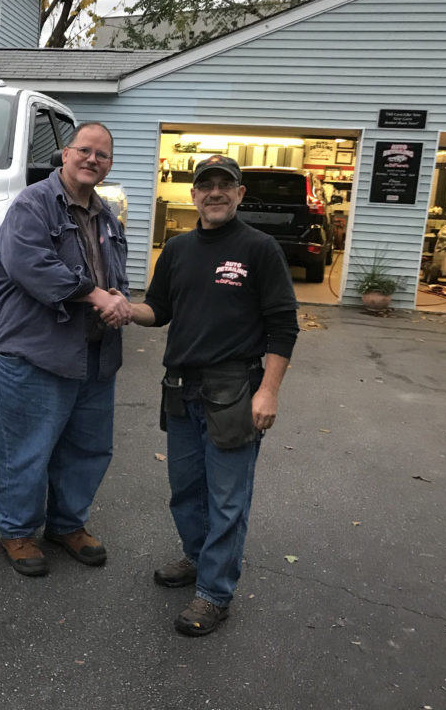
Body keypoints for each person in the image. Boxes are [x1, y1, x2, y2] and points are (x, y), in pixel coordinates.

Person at [128, 154, 299, 635]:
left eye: (227, 185)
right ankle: (197, 557)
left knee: (227, 498)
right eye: (207, 185)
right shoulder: (178, 250)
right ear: (194, 194)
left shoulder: (260, 248)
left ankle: (214, 593)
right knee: (185, 490)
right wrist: (123, 308)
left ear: (240, 194)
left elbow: (283, 327)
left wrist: (268, 392)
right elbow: (157, 310)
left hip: (234, 392)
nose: (216, 193)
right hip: (181, 388)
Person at [0, 122, 132, 577]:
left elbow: (118, 278)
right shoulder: (32, 205)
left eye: (102, 155)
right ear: (65, 155)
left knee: (88, 449)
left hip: (93, 354)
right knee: (27, 450)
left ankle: (68, 525)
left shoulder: (106, 215)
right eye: (85, 151)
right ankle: (18, 532)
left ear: (109, 166)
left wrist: (119, 302)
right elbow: (32, 265)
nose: (93, 160)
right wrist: (96, 296)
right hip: (34, 353)